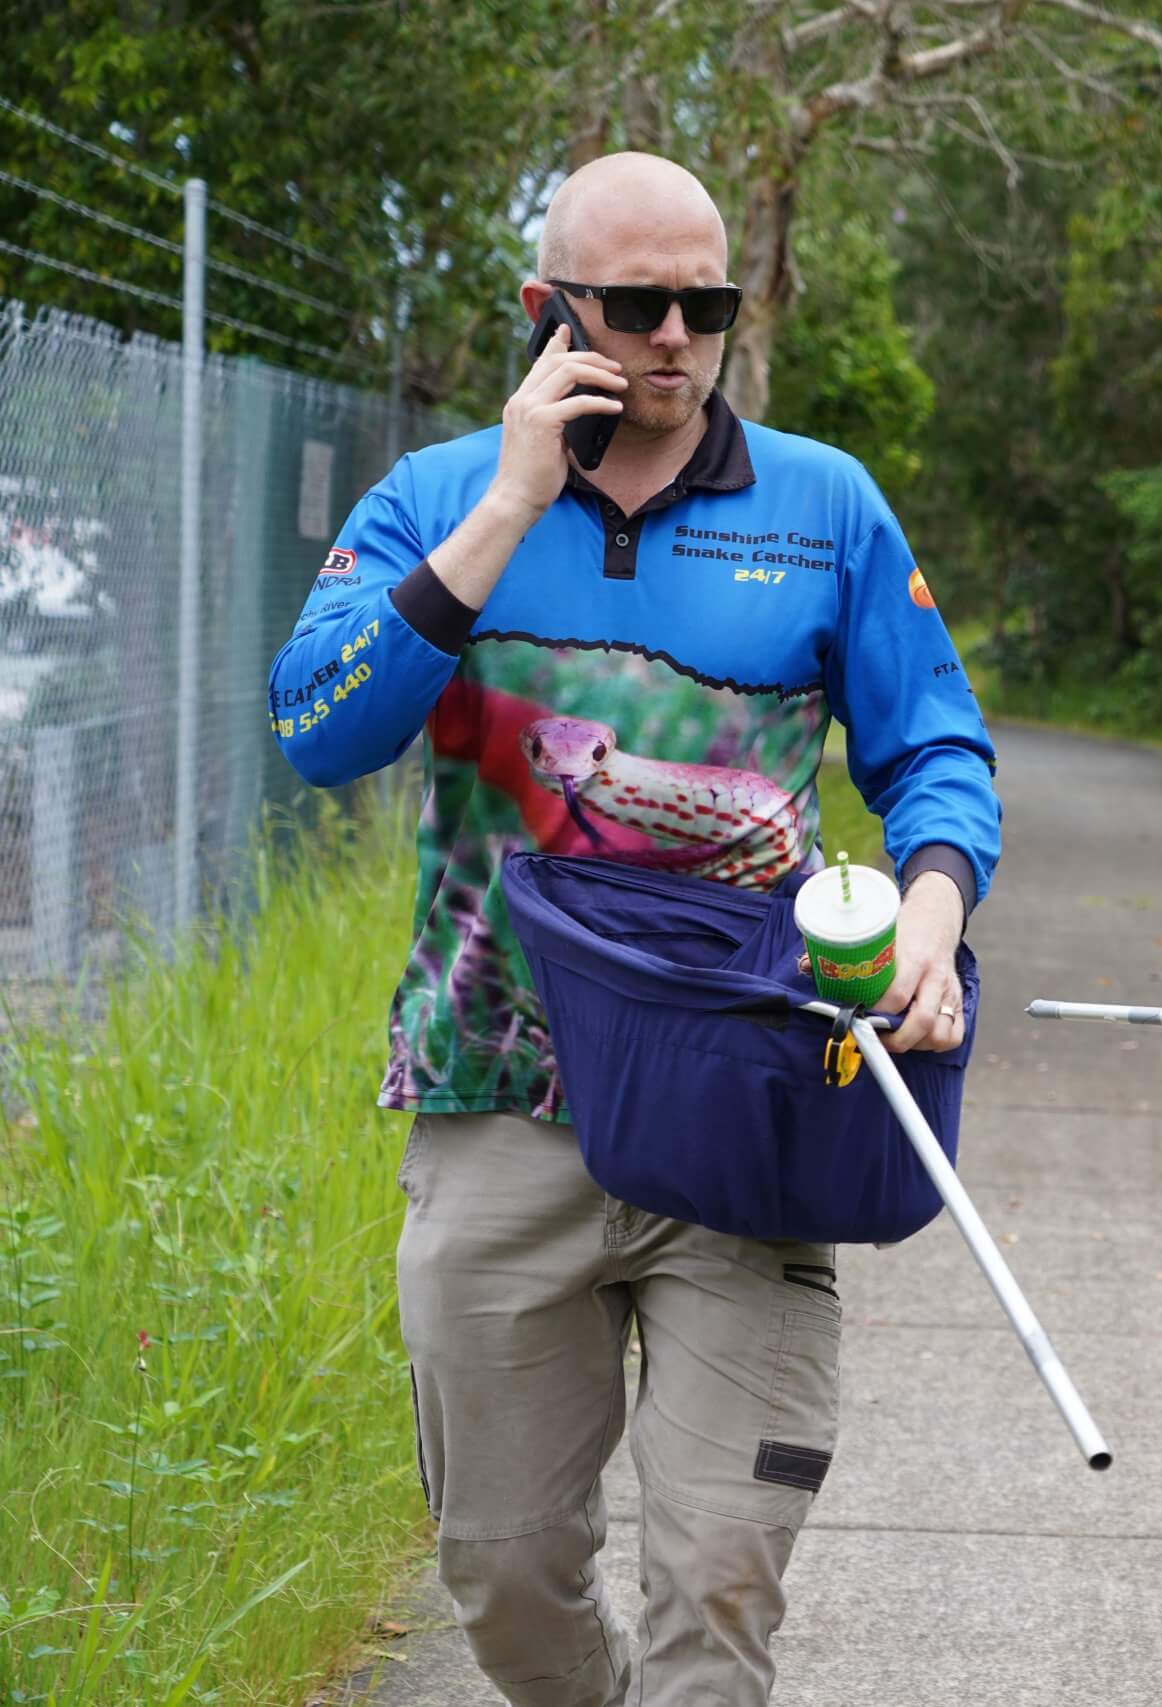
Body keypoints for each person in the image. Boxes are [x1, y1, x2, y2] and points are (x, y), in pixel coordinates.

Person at [267, 152, 998, 1706]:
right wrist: (509, 505)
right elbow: (318, 729)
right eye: (637, 303)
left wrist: (933, 906)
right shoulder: (435, 497)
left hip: (748, 1109)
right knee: (506, 1571)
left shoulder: (828, 509)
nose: (676, 335)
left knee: (719, 1573)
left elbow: (934, 749)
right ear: (548, 312)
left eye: (707, 303)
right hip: (498, 1106)